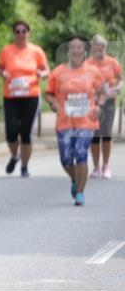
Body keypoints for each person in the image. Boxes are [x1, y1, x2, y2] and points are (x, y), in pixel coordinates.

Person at [45, 36, 107, 206]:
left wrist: (99, 106)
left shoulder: (93, 72)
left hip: (86, 122)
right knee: (66, 159)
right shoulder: (58, 72)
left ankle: (80, 192)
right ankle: (75, 178)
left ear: (84, 51)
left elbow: (102, 92)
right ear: (68, 50)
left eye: (80, 48)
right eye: (73, 47)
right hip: (64, 122)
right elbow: (49, 93)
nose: (77, 50)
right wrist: (52, 103)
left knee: (80, 154)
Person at [0, 20, 49, 177]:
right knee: (11, 132)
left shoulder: (36, 51)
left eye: (24, 31)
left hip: (30, 96)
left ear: (28, 33)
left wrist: (41, 74)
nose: (21, 34)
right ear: (14, 34)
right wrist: (2, 73)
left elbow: (47, 70)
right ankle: (14, 156)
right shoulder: (7, 51)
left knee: (26, 133)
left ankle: (24, 166)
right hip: (11, 96)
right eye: (17, 31)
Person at [86, 35, 122, 178]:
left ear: (105, 49)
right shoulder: (87, 64)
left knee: (106, 133)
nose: (98, 53)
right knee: (95, 135)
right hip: (93, 102)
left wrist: (118, 88)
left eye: (101, 50)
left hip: (108, 101)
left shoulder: (113, 63)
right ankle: (95, 167)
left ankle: (106, 166)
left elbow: (120, 80)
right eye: (95, 50)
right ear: (92, 49)